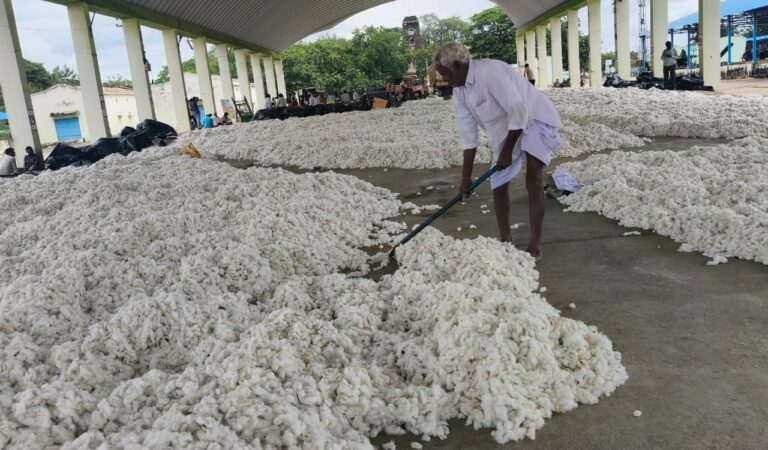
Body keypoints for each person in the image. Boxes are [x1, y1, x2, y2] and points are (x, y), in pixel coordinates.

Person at [433, 43, 562, 263]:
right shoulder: (460, 92)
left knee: (533, 178)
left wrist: (507, 152)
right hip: (505, 131)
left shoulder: (489, 72)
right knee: (498, 183)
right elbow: (468, 136)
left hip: (533, 119)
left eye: (445, 74)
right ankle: (506, 240)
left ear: (457, 65)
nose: (444, 79)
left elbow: (519, 112)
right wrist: (465, 178)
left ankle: (535, 245)